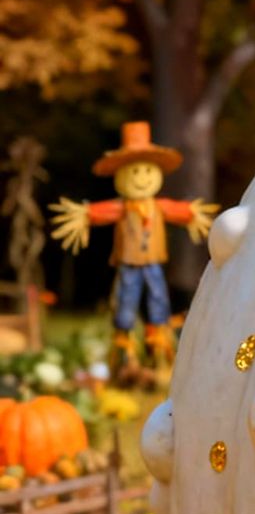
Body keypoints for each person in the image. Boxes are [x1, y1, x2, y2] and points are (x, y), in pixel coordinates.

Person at [49, 122, 216, 379]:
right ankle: (124, 356)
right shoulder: (122, 208)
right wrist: (82, 215)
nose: (141, 177)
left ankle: (158, 352)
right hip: (128, 265)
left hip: (153, 264)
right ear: (122, 174)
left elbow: (180, 211)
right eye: (134, 171)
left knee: (158, 301)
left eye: (147, 170)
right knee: (126, 304)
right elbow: (98, 212)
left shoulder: (158, 207)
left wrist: (193, 214)